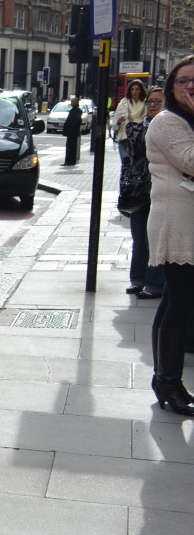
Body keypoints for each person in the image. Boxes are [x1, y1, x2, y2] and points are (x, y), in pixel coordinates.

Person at [145, 57, 194, 414]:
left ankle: (163, 380)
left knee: (175, 298)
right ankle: (170, 384)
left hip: (185, 215)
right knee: (181, 300)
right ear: (172, 85)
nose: (190, 86)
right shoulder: (167, 122)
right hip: (177, 219)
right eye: (183, 81)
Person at [122, 87, 166, 299]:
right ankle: (137, 279)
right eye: (150, 102)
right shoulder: (137, 127)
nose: (153, 105)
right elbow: (130, 158)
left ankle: (154, 283)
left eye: (158, 101)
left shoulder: (170, 128)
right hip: (139, 188)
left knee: (153, 239)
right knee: (138, 237)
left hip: (160, 188)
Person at [113, 79, 147, 163]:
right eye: (132, 89)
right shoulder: (123, 104)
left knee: (137, 167)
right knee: (125, 166)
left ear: (141, 90)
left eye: (137, 89)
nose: (135, 92)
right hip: (125, 140)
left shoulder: (146, 104)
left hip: (140, 141)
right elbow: (114, 125)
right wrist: (118, 122)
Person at [63, 96, 82, 166]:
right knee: (69, 146)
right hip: (70, 132)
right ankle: (68, 161)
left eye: (73, 102)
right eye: (71, 101)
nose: (71, 103)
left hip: (73, 132)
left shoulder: (77, 110)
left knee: (72, 147)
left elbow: (76, 121)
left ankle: (70, 161)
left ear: (77, 102)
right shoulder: (73, 110)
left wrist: (71, 128)